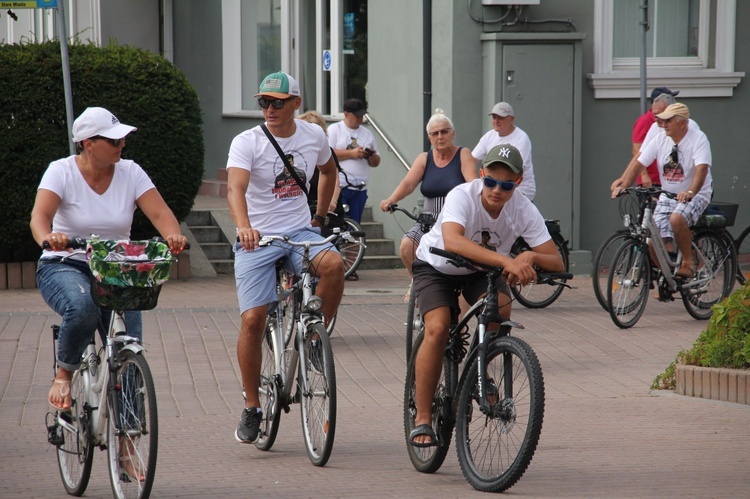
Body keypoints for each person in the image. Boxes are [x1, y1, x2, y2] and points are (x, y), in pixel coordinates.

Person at [31, 106, 187, 480]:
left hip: (117, 269)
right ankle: (65, 374)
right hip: (66, 263)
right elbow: (39, 216)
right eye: (113, 139)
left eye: (123, 138)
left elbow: (161, 214)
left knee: (128, 347)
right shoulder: (62, 170)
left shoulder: (130, 172)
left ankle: (129, 446)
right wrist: (48, 237)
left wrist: (173, 235)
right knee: (83, 307)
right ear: (88, 143)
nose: (121, 145)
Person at [408, 144, 563, 447]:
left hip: (479, 270)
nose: (496, 190)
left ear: (517, 183)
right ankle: (423, 417)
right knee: (438, 328)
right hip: (437, 264)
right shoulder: (461, 195)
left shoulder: (523, 208)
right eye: (491, 181)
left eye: (506, 185)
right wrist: (508, 261)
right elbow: (452, 241)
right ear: (481, 175)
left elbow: (556, 261)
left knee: (502, 308)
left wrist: (530, 256)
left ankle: (479, 369)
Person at [226, 71, 345, 444]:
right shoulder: (247, 142)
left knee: (335, 266)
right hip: (257, 238)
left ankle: (313, 338)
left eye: (277, 102)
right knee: (253, 320)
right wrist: (244, 226)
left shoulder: (313, 136)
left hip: (299, 233)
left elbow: (329, 171)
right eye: (263, 102)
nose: (269, 109)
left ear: (296, 103)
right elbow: (235, 188)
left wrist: (320, 216)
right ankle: (251, 405)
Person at [611, 103, 712, 279]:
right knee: (652, 240)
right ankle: (668, 278)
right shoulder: (660, 139)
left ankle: (688, 263)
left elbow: (702, 169)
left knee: (677, 218)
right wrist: (624, 185)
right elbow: (639, 162)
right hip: (668, 195)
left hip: (695, 195)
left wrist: (690, 192)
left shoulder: (698, 138)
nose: (663, 125)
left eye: (668, 121)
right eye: (662, 121)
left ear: (682, 123)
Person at [379, 109, 477, 278]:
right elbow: (408, 184)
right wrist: (391, 199)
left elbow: (473, 185)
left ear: (452, 134)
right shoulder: (425, 158)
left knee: (455, 251)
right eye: (435, 133)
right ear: (429, 138)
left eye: (444, 132)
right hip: (429, 219)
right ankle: (418, 283)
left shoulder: (463, 154)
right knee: (407, 246)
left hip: (455, 217)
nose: (440, 136)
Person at [328, 98, 381, 224]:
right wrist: (352, 153)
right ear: (346, 114)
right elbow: (328, 154)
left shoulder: (367, 133)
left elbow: (377, 161)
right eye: (357, 115)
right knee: (337, 223)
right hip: (339, 187)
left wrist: (372, 157)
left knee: (355, 225)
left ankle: (353, 244)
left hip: (359, 188)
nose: (360, 118)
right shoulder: (335, 129)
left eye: (362, 115)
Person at [471, 102, 536, 200]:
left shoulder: (521, 138)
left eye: (500, 118)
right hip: (495, 189)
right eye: (494, 117)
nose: (496, 121)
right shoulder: (489, 136)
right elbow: (472, 159)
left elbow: (518, 169)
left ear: (512, 119)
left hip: (520, 191)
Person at [631, 87, 679, 186]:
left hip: (665, 178)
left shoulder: (670, 122)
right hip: (651, 180)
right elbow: (637, 150)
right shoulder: (645, 121)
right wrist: (645, 176)